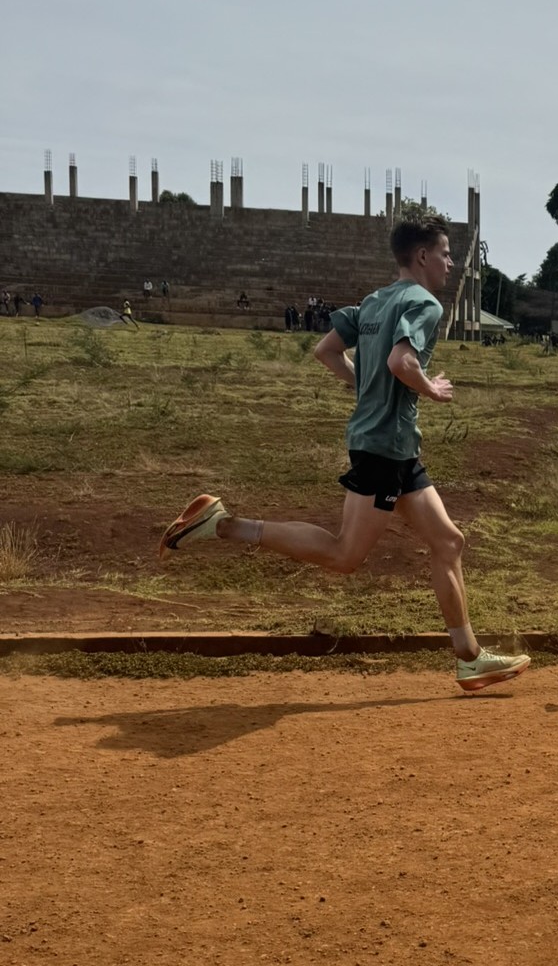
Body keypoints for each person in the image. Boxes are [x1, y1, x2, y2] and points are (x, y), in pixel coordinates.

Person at [158, 214, 529, 693]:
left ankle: (470, 658)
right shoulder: (424, 304)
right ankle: (223, 525)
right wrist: (432, 390)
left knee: (448, 542)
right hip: (385, 449)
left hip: (393, 448)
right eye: (445, 253)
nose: (450, 263)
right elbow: (402, 361)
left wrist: (367, 386)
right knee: (343, 555)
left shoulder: (375, 301)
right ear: (422, 256)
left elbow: (326, 351)